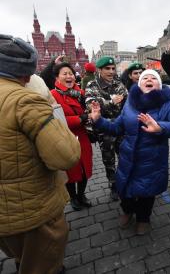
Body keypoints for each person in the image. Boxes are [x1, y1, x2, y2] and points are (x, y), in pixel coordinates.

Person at [0, 34, 80, 274]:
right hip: (30, 209)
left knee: (21, 256)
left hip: (6, 216)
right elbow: (64, 156)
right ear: (24, 74)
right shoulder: (24, 101)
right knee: (42, 264)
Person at [89, 69, 170, 235]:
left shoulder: (166, 104)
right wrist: (99, 120)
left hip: (152, 162)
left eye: (153, 78)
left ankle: (143, 219)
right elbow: (116, 127)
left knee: (146, 194)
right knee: (124, 189)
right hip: (128, 159)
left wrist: (160, 127)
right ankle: (127, 211)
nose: (149, 79)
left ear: (159, 84)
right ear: (139, 84)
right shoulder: (130, 103)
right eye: (145, 78)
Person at [51, 62, 93, 211]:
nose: (69, 76)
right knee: (70, 170)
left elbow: (90, 110)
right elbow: (56, 119)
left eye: (70, 73)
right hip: (66, 138)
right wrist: (80, 119)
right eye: (64, 74)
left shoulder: (80, 93)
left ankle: (82, 195)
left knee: (84, 169)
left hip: (83, 137)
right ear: (57, 77)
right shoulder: (53, 95)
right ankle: (73, 198)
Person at [85, 56, 128, 201]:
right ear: (99, 70)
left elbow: (127, 101)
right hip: (105, 131)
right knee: (108, 161)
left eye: (113, 68)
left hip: (121, 128)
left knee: (124, 156)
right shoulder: (92, 85)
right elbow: (92, 105)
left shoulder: (118, 83)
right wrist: (111, 102)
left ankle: (124, 181)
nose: (111, 71)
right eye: (107, 69)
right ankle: (113, 185)